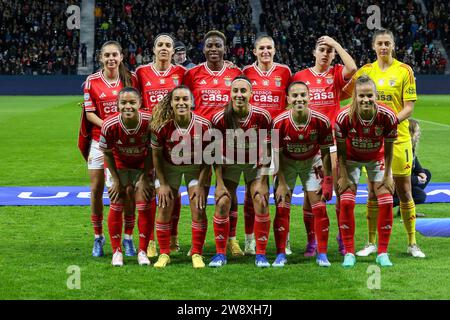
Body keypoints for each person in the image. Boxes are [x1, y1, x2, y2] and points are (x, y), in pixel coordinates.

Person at [343, 29, 426, 258]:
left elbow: (409, 107)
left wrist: (390, 122)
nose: (383, 47)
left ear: (393, 45)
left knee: (404, 190)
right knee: (372, 191)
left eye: (387, 43)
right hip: (371, 140)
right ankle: (371, 243)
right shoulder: (366, 71)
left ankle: (412, 243)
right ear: (373, 46)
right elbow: (348, 95)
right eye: (379, 43)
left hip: (398, 138)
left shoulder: (404, 71)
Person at [292, 35, 357, 257]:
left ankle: (341, 237)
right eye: (322, 49)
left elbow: (353, 67)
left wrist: (336, 44)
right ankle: (312, 242)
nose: (326, 53)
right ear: (314, 53)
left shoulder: (336, 73)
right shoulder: (300, 76)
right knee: (312, 195)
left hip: (333, 142)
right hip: (310, 143)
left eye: (329, 51)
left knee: (340, 190)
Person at [184, 30, 243, 256]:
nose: (213, 49)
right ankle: (196, 242)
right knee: (199, 189)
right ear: (203, 49)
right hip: (199, 140)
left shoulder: (235, 72)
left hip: (228, 140)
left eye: (218, 45)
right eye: (209, 45)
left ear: (224, 48)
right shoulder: (193, 74)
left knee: (229, 190)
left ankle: (231, 239)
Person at [81, 40, 138, 258]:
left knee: (127, 189)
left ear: (121, 57)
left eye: (115, 55)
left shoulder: (130, 79)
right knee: (96, 189)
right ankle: (98, 237)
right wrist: (108, 125)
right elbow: (89, 113)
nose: (111, 59)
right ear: (101, 58)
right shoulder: (91, 81)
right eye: (107, 55)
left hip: (125, 142)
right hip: (99, 140)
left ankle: (128, 237)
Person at [209, 75, 272, 268]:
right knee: (222, 202)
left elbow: (269, 149)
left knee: (260, 200)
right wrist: (219, 184)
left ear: (251, 94)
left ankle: (260, 254)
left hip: (254, 164)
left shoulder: (262, 116)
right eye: (235, 91)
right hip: (229, 163)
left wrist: (262, 180)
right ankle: (220, 254)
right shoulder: (219, 118)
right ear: (230, 94)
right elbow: (214, 153)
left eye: (243, 91)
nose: (239, 95)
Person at [336, 75, 398, 268]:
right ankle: (349, 252)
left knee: (387, 202)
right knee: (346, 202)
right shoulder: (343, 117)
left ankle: (382, 253)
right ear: (355, 95)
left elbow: (388, 149)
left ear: (375, 95)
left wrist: (388, 175)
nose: (365, 100)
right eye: (361, 95)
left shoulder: (388, 116)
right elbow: (340, 151)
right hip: (350, 160)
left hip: (377, 158)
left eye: (369, 95)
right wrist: (344, 175)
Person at [272, 81, 334, 267]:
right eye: (295, 96)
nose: (299, 99)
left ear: (309, 97)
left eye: (303, 95)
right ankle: (281, 254)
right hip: (286, 164)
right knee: (282, 207)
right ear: (288, 99)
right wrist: (281, 182)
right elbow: (276, 155)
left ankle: (322, 254)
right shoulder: (278, 122)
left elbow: (325, 153)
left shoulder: (321, 121)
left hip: (311, 162)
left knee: (320, 207)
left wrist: (328, 180)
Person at [135, 33, 186, 257]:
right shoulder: (141, 73)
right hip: (150, 140)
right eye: (160, 45)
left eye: (168, 45)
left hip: (176, 141)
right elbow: (133, 100)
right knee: (149, 189)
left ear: (173, 51)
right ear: (154, 49)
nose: (164, 48)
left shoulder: (182, 73)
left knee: (173, 191)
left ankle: (173, 236)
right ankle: (151, 240)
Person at [150, 85, 211, 268]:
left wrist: (201, 184)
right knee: (164, 205)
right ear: (172, 102)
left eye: (185, 99)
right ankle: (164, 253)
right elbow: (156, 158)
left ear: (192, 102)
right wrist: (162, 184)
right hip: (169, 168)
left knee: (198, 207)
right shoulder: (161, 127)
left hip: (195, 168)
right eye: (177, 99)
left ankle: (197, 253)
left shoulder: (204, 125)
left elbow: (208, 159)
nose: (181, 102)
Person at [241, 35, 292, 255]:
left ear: (274, 49)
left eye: (269, 48)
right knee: (252, 193)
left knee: (282, 190)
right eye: (261, 48)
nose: (265, 51)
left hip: (280, 139)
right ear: (254, 51)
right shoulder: (246, 73)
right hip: (254, 139)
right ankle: (249, 239)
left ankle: (285, 240)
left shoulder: (285, 72)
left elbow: (291, 99)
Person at [99, 87, 154, 267]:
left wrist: (145, 177)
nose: (128, 106)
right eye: (123, 103)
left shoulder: (149, 122)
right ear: (117, 105)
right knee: (117, 202)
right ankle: (117, 251)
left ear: (139, 104)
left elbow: (152, 151)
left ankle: (143, 251)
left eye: (132, 102)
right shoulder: (109, 125)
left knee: (144, 203)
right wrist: (115, 180)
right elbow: (107, 154)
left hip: (141, 166)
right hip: (118, 166)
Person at [393, 119, 431, 212]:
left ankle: (404, 207)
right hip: (393, 183)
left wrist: (421, 172)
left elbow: (414, 160)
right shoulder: (402, 147)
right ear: (410, 132)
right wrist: (416, 179)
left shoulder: (410, 146)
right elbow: (397, 176)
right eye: (417, 131)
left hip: (402, 179)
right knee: (420, 197)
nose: (419, 134)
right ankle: (387, 202)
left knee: (427, 173)